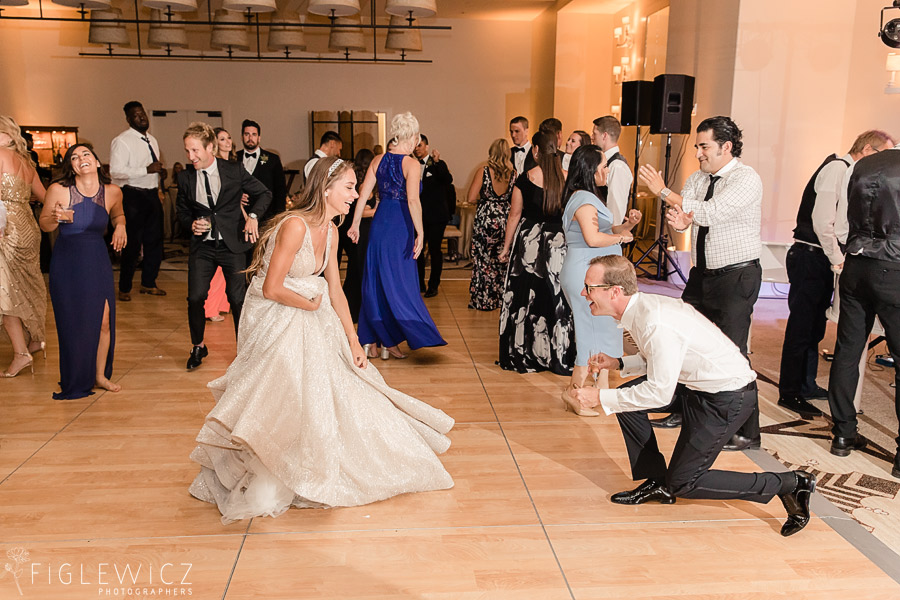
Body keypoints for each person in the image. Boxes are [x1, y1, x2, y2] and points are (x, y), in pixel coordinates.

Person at [188, 156, 453, 523]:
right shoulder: (294, 226)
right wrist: (311, 305)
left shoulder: (331, 231)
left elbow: (336, 290)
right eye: (349, 187)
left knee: (341, 385)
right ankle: (274, 463)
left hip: (311, 310)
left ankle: (315, 458)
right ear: (325, 188)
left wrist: (352, 338)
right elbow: (271, 287)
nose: (357, 193)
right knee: (287, 386)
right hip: (275, 312)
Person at [573, 255, 817, 537]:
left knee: (684, 482)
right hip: (697, 387)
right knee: (627, 398)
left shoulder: (654, 321)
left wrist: (600, 398)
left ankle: (788, 483)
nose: (584, 293)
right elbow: (665, 359)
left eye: (589, 287)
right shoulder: (644, 310)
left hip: (727, 399)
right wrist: (619, 363)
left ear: (614, 291)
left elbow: (658, 390)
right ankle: (656, 481)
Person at [638, 116, 763, 452]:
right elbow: (687, 221)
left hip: (736, 276)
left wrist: (665, 192)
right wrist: (678, 222)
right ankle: (682, 410)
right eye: (697, 146)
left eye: (703, 146)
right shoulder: (696, 179)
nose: (698, 153)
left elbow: (710, 213)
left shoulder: (746, 178)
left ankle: (748, 432)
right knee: (685, 342)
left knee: (733, 351)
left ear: (726, 146)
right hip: (702, 274)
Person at [778, 130, 892, 418]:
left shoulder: (846, 171)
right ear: (867, 149)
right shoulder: (836, 169)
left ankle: (806, 384)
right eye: (884, 155)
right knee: (801, 327)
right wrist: (838, 259)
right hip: (810, 256)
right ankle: (789, 392)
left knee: (815, 327)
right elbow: (822, 222)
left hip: (819, 257)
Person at [347, 112, 446, 360]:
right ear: (412, 137)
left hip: (380, 225)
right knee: (401, 284)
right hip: (400, 227)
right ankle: (390, 341)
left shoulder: (378, 160)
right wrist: (420, 232)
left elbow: (363, 193)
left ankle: (373, 340)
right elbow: (413, 200)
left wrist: (356, 224)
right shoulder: (412, 164)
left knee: (377, 282)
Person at [827, 143, 900, 474]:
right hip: (894, 267)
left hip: (856, 264)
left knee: (847, 351)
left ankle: (842, 434)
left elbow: (844, 218)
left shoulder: (866, 163)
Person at [175, 122, 272, 371]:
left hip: (232, 245)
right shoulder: (185, 178)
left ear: (210, 147)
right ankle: (198, 345)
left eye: (195, 150)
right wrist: (191, 224)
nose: (190, 156)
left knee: (238, 299)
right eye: (187, 151)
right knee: (195, 297)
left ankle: (244, 353)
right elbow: (183, 212)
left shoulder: (233, 170)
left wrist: (252, 217)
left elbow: (264, 194)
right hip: (203, 248)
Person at [39, 144, 126, 398]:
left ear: (97, 162)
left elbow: (118, 215)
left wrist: (120, 226)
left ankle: (100, 376)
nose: (81, 159)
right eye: (74, 157)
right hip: (67, 263)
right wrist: (54, 217)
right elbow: (44, 225)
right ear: (72, 166)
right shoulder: (58, 190)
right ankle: (76, 377)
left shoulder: (113, 192)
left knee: (104, 321)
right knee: (73, 322)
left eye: (86, 154)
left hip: (97, 260)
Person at [560, 145, 641, 414]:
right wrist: (621, 238)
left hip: (595, 274)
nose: (607, 171)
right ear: (590, 170)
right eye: (604, 166)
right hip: (586, 275)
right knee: (590, 334)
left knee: (603, 331)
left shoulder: (590, 197)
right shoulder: (582, 199)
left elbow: (605, 229)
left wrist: (627, 225)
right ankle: (573, 393)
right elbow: (593, 238)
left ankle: (599, 392)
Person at [497, 131, 574, 375]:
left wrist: (506, 247)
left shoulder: (525, 178)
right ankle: (554, 352)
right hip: (557, 242)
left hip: (528, 241)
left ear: (536, 151)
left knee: (524, 297)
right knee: (554, 296)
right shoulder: (567, 178)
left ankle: (522, 350)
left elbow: (514, 215)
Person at [0, 115, 47, 377]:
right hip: (28, 226)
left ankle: (21, 354)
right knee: (28, 284)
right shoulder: (27, 163)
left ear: (7, 135)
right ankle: (36, 340)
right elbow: (45, 197)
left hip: (6, 227)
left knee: (7, 291)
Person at [110, 100, 166, 301]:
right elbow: (115, 171)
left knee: (155, 241)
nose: (142, 117)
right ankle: (124, 287)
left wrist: (159, 180)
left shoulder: (152, 140)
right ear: (128, 119)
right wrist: (145, 170)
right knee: (132, 244)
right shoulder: (122, 141)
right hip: (132, 195)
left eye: (143, 113)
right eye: (136, 115)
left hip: (151, 194)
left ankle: (148, 283)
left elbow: (154, 169)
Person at [468, 138, 515, 311]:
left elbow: (471, 198)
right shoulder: (514, 174)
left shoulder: (484, 171)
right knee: (501, 260)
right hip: (505, 219)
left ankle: (484, 300)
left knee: (483, 260)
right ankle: (501, 299)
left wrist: (485, 201)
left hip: (486, 220)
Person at [414, 134, 454, 298]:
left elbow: (447, 180)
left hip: (437, 216)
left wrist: (437, 162)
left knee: (435, 250)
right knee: (418, 250)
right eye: (415, 145)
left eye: (420, 145)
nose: (417, 148)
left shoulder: (437, 164)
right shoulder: (411, 164)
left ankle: (433, 285)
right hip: (419, 215)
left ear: (427, 147)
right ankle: (419, 283)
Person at [342, 149, 378, 322]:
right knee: (360, 270)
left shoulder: (357, 182)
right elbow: (362, 212)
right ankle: (357, 311)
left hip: (363, 231)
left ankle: (353, 310)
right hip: (363, 231)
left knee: (356, 270)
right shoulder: (365, 185)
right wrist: (378, 211)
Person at [236, 119, 286, 224]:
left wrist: (278, 218)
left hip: (266, 216)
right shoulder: (234, 158)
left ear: (259, 138)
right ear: (242, 137)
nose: (250, 138)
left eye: (254, 134)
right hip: (239, 217)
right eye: (247, 134)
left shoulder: (272, 159)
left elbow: (280, 190)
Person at [592, 116, 633, 226]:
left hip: (607, 233)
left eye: (594, 134)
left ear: (604, 135)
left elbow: (615, 209)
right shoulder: (606, 162)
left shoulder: (617, 166)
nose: (592, 138)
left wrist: (609, 236)